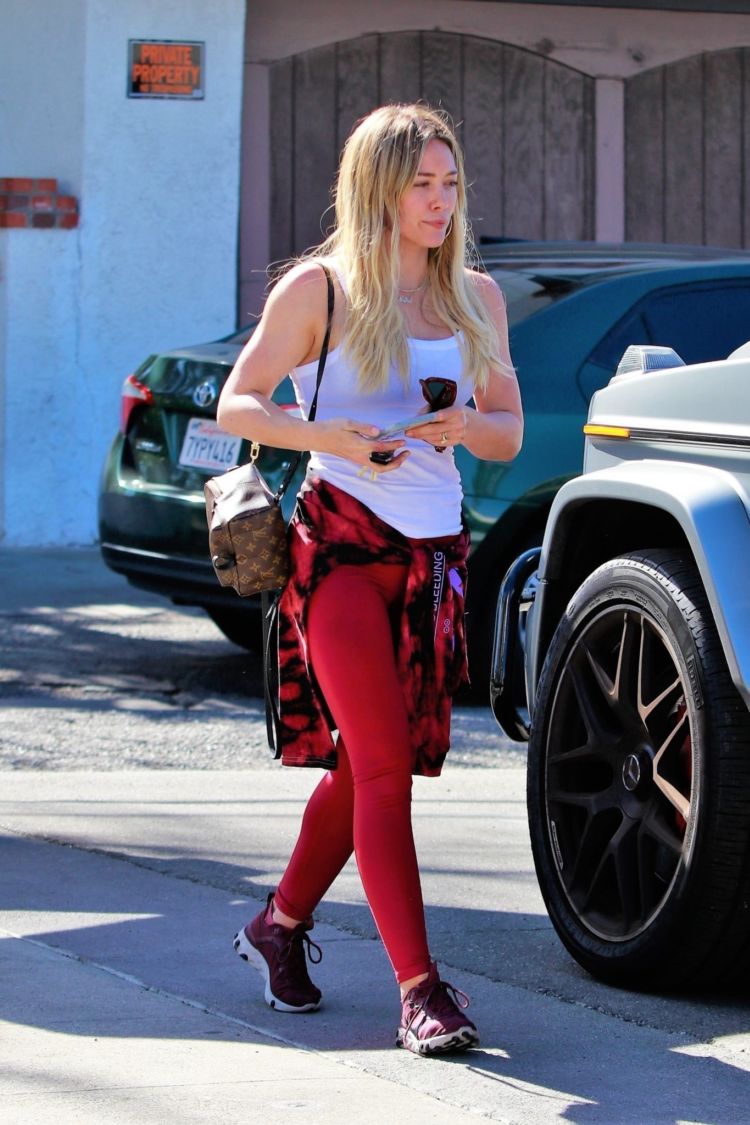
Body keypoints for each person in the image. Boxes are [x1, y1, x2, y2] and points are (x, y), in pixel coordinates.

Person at [217, 103, 523, 1056]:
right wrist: (328, 436)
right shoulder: (323, 290)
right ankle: (421, 989)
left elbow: (508, 430)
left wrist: (462, 427)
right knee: (383, 763)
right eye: (420, 185)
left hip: (436, 563)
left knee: (367, 767)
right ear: (377, 190)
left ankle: (278, 922)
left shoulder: (475, 294)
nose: (440, 203)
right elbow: (240, 400)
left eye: (450, 183)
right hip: (340, 548)